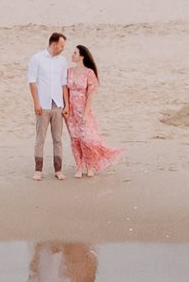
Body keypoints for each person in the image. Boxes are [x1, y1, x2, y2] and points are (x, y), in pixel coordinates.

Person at [62, 44, 124, 177]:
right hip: (71, 111)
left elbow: (90, 94)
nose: (72, 55)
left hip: (83, 110)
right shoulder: (69, 71)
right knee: (75, 139)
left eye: (75, 53)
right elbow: (65, 90)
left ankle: (90, 166)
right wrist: (66, 106)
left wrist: (86, 113)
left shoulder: (89, 73)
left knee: (86, 140)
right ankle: (79, 167)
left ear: (82, 56)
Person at [26, 31, 70, 181]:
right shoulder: (37, 58)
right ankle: (38, 170)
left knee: (57, 139)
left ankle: (58, 170)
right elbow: (32, 82)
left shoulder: (62, 61)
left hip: (58, 104)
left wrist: (66, 105)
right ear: (54, 44)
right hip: (43, 104)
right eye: (61, 45)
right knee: (40, 139)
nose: (63, 48)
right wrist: (36, 103)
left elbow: (64, 84)